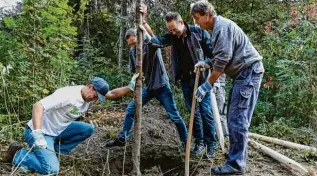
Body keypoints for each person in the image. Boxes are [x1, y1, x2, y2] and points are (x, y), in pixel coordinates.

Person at [4, 75, 139, 174]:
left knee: (88, 129)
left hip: (58, 130)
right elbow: (38, 106)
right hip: (41, 132)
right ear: (90, 87)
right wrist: (38, 134)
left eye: (98, 98)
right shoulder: (68, 94)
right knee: (51, 170)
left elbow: (112, 93)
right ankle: (18, 154)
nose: (95, 100)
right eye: (95, 96)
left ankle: (52, 152)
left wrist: (130, 86)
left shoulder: (89, 95)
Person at [191, 1, 264, 175]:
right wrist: (208, 62)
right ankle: (235, 158)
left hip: (248, 74)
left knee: (237, 119)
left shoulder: (221, 29)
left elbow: (222, 63)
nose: (196, 22)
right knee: (234, 116)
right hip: (244, 75)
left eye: (197, 18)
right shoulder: (217, 29)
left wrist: (207, 85)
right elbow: (220, 57)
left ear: (207, 14)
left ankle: (236, 165)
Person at [144, 10, 225, 158]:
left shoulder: (199, 33)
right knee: (194, 113)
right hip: (186, 81)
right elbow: (161, 40)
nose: (173, 33)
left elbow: (214, 56)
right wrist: (150, 40)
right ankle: (199, 143)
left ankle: (211, 144)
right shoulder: (174, 36)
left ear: (181, 22)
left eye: (174, 29)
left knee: (206, 112)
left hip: (201, 80)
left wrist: (206, 65)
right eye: (170, 30)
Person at [105, 13, 187, 150]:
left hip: (162, 86)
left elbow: (151, 37)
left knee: (174, 116)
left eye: (135, 43)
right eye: (130, 45)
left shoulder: (151, 45)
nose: (133, 46)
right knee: (131, 109)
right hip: (148, 88)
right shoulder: (132, 52)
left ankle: (185, 142)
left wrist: (143, 22)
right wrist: (136, 87)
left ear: (140, 38)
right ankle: (122, 138)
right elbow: (136, 72)